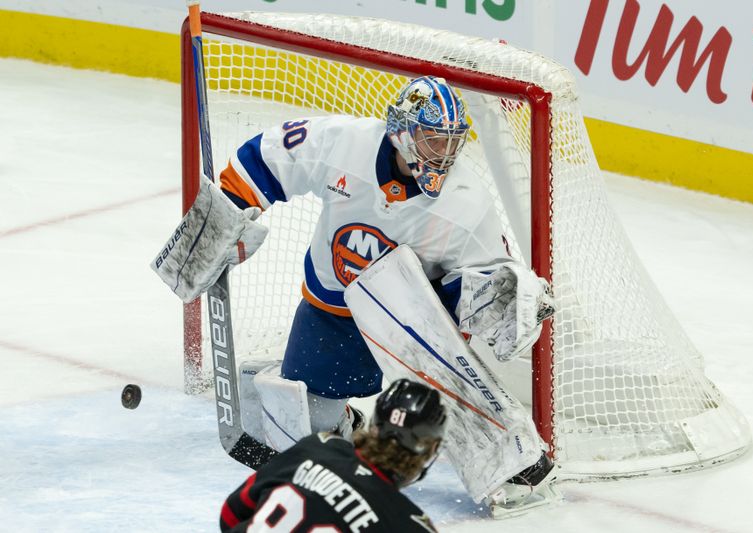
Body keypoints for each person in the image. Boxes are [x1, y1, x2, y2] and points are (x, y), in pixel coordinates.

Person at [154, 75, 558, 514]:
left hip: (415, 325)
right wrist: (228, 211)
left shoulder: (466, 201)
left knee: (444, 399)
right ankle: (340, 420)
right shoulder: (345, 144)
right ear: (401, 132)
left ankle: (514, 462)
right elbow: (269, 157)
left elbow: (477, 281)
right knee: (309, 431)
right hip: (333, 304)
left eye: (452, 143)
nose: (445, 154)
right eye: (432, 140)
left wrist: (492, 302)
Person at [220, 378, 446, 532]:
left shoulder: (318, 447)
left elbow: (230, 515)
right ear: (427, 451)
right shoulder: (408, 525)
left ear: (375, 427)